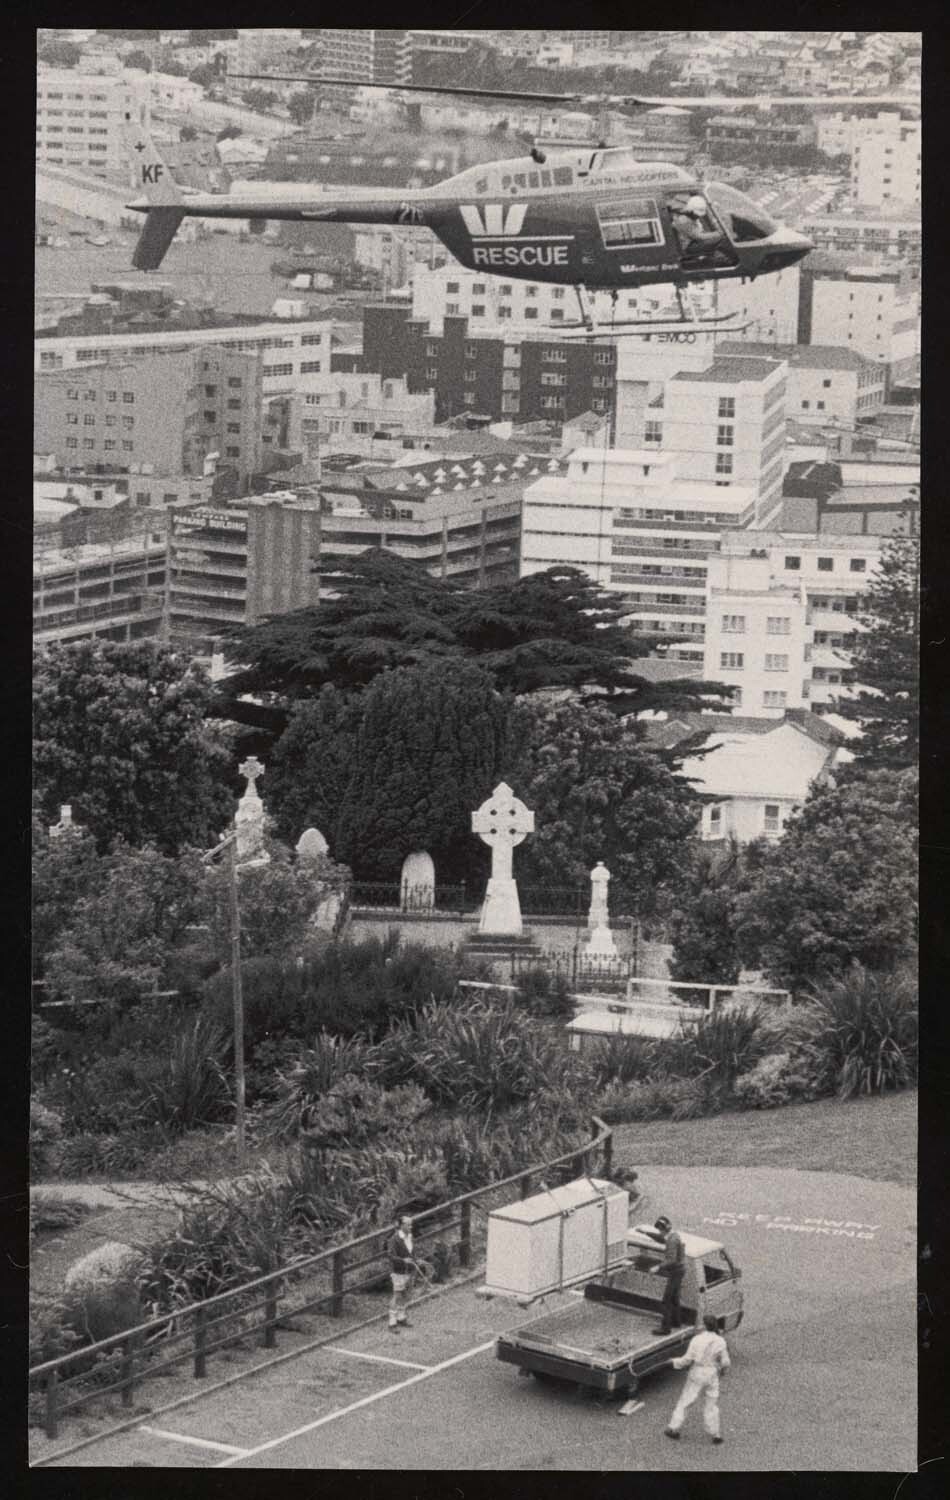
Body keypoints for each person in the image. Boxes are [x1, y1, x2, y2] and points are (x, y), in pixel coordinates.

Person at [664, 1313, 731, 1444]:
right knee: (711, 1404)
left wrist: (673, 1362)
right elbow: (726, 1362)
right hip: (712, 1373)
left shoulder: (696, 1339)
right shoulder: (721, 1341)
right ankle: (716, 1434)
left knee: (686, 1400)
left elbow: (687, 1359)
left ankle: (673, 1428)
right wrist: (722, 1372)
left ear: (704, 1325)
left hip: (697, 1372)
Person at [649, 1215, 686, 1335]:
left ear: (664, 1229)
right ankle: (676, 1321)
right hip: (679, 1270)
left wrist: (658, 1267)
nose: (660, 1232)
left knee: (666, 1300)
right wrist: (646, 1233)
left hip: (675, 1271)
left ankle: (665, 1328)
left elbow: (671, 1259)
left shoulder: (671, 1240)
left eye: (660, 1230)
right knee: (675, 1298)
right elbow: (661, 1238)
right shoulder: (674, 1235)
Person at [670, 194, 724, 260]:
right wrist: (718, 234)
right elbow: (699, 236)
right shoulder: (684, 220)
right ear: (691, 210)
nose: (699, 216)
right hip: (689, 247)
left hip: (694, 242)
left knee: (718, 240)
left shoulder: (690, 217)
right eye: (697, 214)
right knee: (720, 241)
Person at [388, 1213, 415, 1332]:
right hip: (398, 1272)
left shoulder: (410, 1237)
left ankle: (401, 1317)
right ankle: (392, 1322)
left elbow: (412, 1252)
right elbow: (391, 1255)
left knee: (405, 1295)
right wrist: (403, 1260)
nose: (411, 1227)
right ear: (401, 1225)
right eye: (408, 1225)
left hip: (409, 1271)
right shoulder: (394, 1239)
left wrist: (415, 1260)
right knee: (397, 1295)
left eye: (411, 1225)